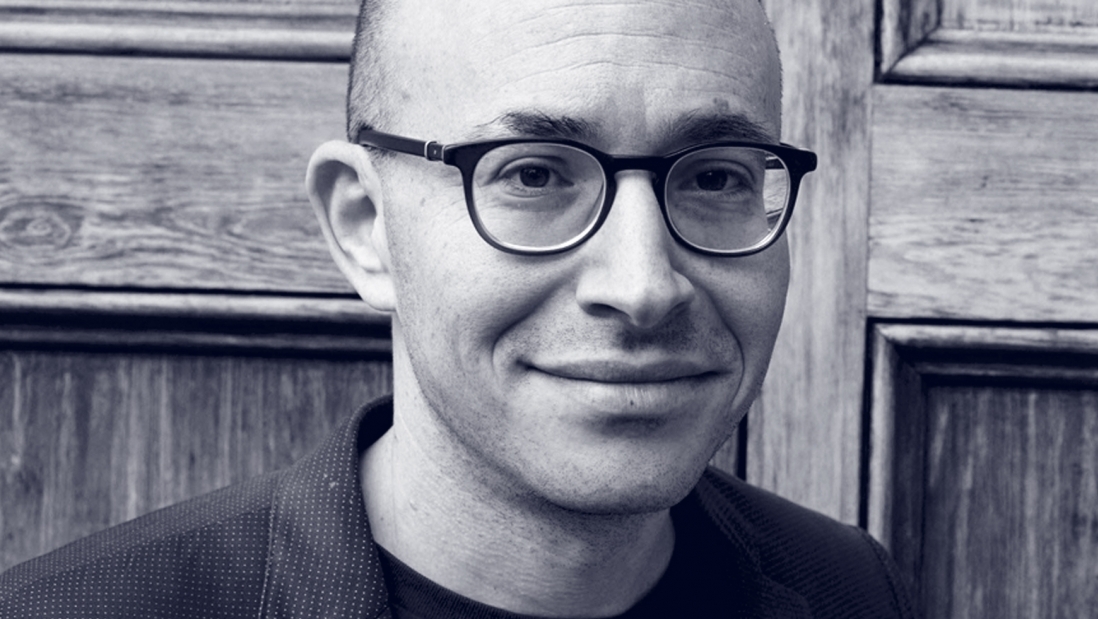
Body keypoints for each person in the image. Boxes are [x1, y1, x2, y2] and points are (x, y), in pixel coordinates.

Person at [0, 0, 914, 617]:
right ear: (365, 227)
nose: (643, 285)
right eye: (533, 175)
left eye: (714, 177)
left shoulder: (851, 589)